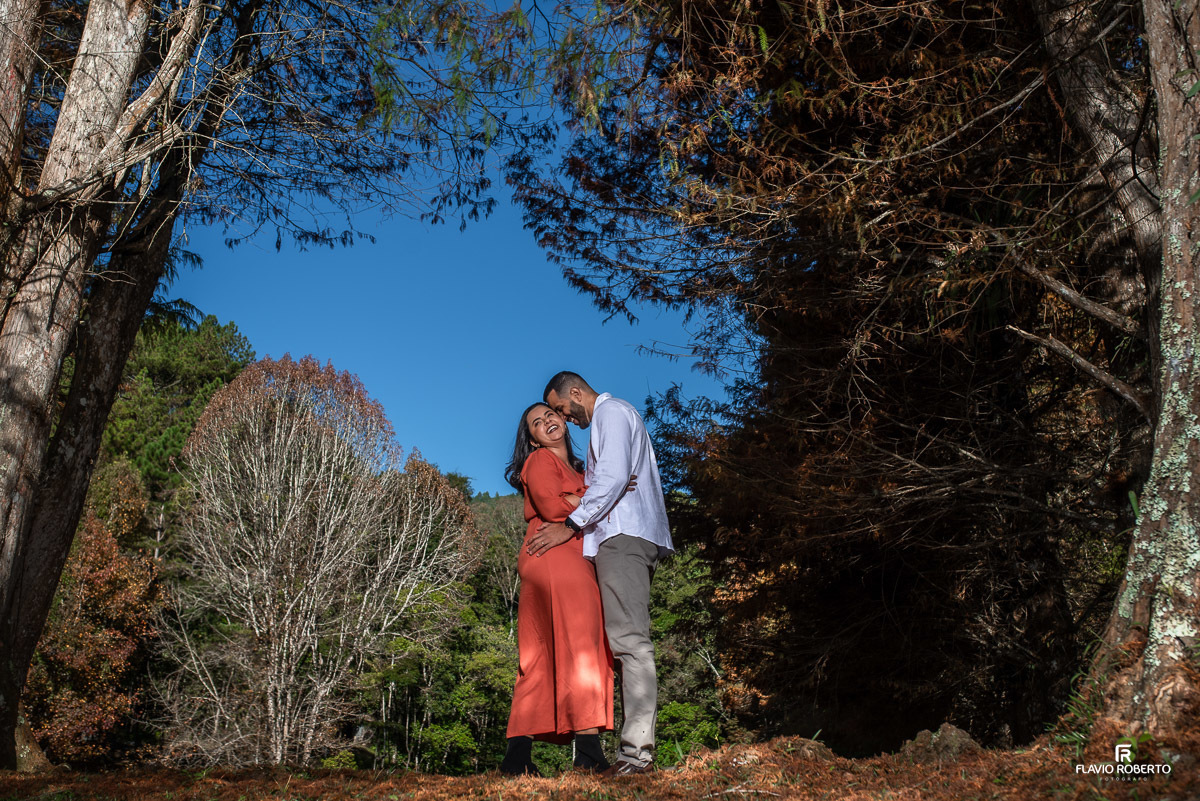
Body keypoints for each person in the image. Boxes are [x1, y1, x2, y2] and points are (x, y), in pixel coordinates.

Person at [526, 372, 673, 777]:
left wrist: (572, 524)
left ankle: (636, 755)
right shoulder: (613, 418)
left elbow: (610, 480)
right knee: (624, 644)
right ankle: (632, 753)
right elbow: (610, 482)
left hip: (624, 538)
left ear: (575, 393)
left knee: (630, 644)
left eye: (559, 409)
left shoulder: (611, 414)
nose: (564, 418)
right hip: (621, 539)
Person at [499, 402, 615, 776]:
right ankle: (589, 753)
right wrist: (592, 499)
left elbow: (578, 507)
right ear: (532, 440)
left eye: (550, 414)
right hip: (556, 559)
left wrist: (580, 500)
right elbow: (552, 507)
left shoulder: (579, 469)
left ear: (563, 419)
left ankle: (518, 759)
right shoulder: (539, 462)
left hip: (555, 559)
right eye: (537, 422)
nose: (547, 421)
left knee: (542, 655)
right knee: (580, 648)